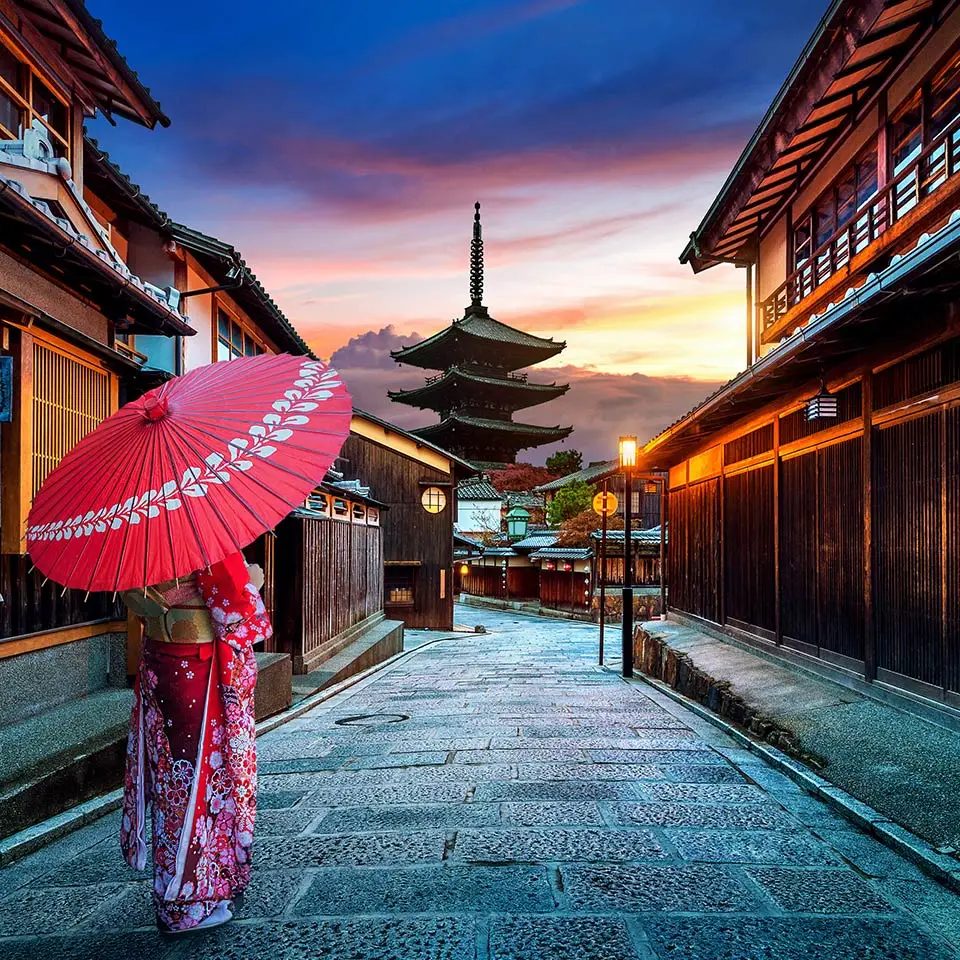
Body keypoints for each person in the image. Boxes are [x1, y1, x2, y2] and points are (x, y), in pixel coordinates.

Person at [119, 552, 271, 934]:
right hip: (195, 671)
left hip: (158, 662)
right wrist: (253, 580)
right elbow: (237, 614)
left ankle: (185, 890)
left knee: (172, 785)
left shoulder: (137, 543)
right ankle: (186, 904)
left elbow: (139, 603)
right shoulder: (200, 541)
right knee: (198, 786)